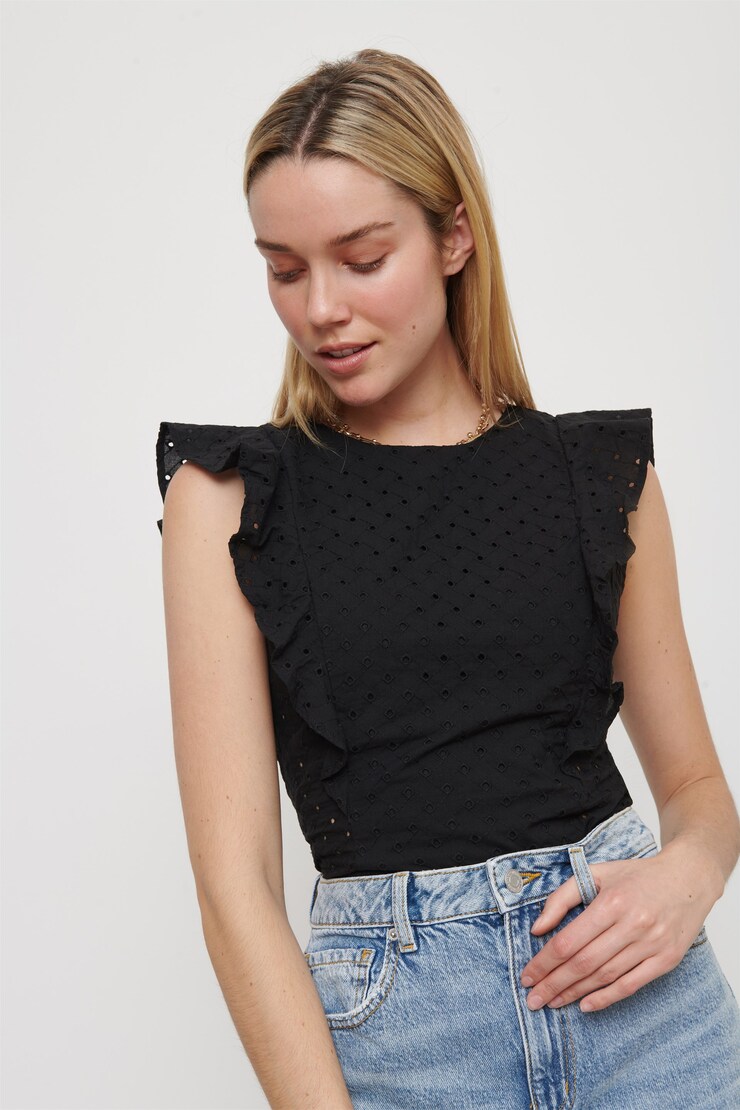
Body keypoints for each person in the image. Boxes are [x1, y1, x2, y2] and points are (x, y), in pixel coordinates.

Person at [155, 48, 740, 1109]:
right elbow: (235, 889)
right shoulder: (230, 499)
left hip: (648, 1018)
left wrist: (684, 879)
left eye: (361, 258)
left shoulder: (598, 477)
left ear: (454, 236)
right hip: (405, 1033)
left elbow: (698, 793)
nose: (320, 308)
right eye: (284, 269)